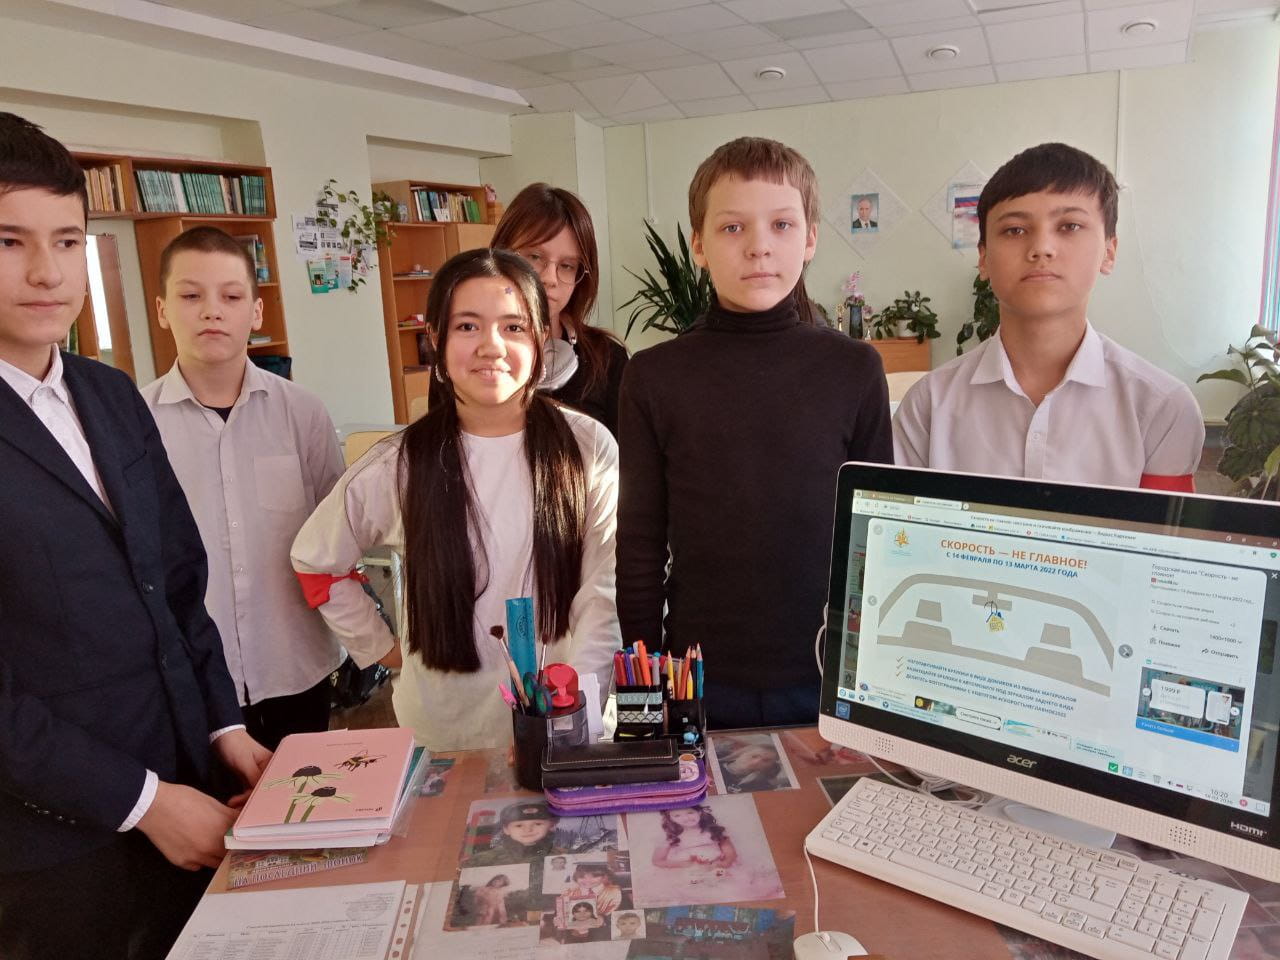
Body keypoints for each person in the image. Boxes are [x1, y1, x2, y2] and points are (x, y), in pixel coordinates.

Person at [0, 112, 271, 960]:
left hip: (191, 786)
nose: (48, 272)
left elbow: (176, 582)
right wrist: (144, 802)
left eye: (67, 241)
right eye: (9, 242)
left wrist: (225, 729)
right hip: (54, 848)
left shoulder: (109, 393)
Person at [292, 248, 620, 751]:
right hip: (443, 729)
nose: (491, 345)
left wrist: (579, 705)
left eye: (513, 327)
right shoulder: (401, 461)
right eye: (468, 326)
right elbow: (316, 561)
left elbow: (603, 591)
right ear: (436, 340)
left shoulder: (587, 446)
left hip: (564, 719)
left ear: (540, 339)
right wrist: (379, 647)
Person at [617, 137, 892, 728]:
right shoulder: (654, 376)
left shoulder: (854, 369)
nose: (760, 246)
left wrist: (870, 672)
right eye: (733, 227)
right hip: (695, 678)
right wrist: (641, 698)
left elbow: (876, 537)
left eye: (782, 225)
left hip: (827, 675)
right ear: (699, 244)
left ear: (810, 238)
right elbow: (639, 546)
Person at [894, 142, 1204, 489]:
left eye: (1069, 226)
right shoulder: (928, 406)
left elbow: (1164, 524)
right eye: (1014, 230)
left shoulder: (1162, 408)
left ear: (1109, 251)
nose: (1041, 248)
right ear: (983, 258)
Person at [140, 226, 346, 751]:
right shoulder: (134, 421)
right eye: (191, 296)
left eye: (231, 297)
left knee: (306, 796)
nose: (212, 311)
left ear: (256, 312)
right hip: (189, 675)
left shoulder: (302, 412)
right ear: (162, 310)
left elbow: (336, 540)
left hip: (294, 663)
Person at [490, 182, 628, 436]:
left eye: (566, 266)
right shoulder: (464, 353)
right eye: (534, 257)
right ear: (499, 256)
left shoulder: (608, 359)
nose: (549, 278)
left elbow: (622, 457)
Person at [466, 800, 562, 866]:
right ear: (506, 829)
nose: (528, 830)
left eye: (537, 824)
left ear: (551, 825)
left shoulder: (561, 855)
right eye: (519, 825)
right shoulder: (483, 860)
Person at [653, 807, 736, 871]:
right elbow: (658, 861)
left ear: (699, 812)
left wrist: (723, 864)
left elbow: (730, 853)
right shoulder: (672, 837)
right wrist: (685, 865)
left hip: (716, 868)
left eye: (690, 812)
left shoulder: (714, 830)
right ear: (671, 818)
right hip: (686, 872)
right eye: (677, 815)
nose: (686, 818)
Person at [716, 740, 785, 793]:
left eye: (766, 761)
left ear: (770, 765)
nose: (756, 762)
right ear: (741, 753)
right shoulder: (714, 764)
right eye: (754, 756)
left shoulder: (761, 787)